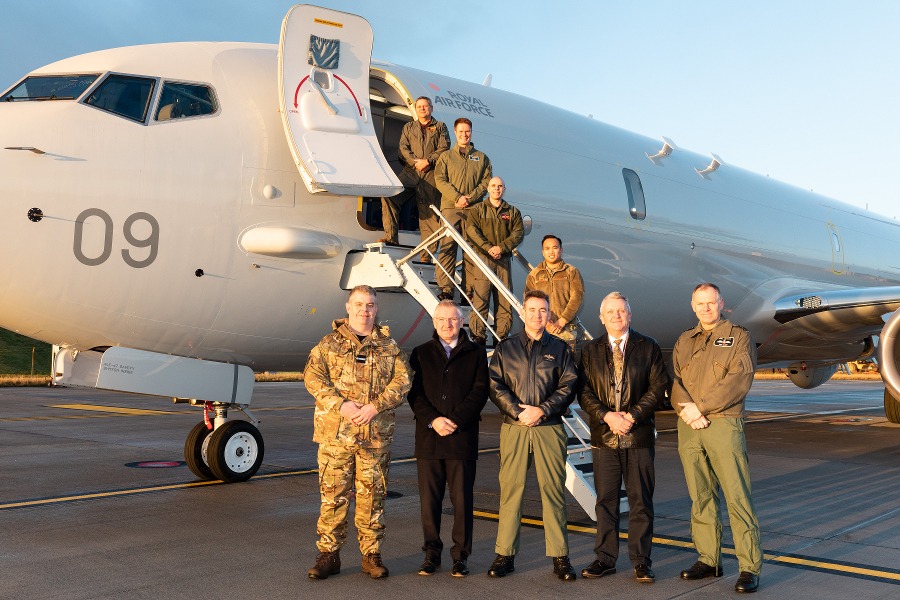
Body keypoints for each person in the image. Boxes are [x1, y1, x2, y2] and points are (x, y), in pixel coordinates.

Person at [303, 285, 412, 580]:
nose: (365, 310)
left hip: (374, 436)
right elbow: (313, 378)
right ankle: (329, 555)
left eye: (371, 305)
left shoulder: (389, 347)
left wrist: (376, 406)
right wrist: (340, 405)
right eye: (360, 304)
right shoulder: (328, 344)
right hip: (335, 436)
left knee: (373, 498)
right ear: (348, 307)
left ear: (376, 310)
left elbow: (403, 382)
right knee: (333, 497)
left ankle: (371, 555)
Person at [672, 283, 761, 593]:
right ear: (693, 305)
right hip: (689, 426)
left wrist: (701, 409)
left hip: (723, 423)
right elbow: (677, 382)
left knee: (738, 498)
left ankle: (749, 566)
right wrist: (688, 411)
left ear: (721, 303)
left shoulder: (740, 336)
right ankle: (709, 558)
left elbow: (738, 380)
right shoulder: (684, 340)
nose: (706, 308)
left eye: (711, 302)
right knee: (700, 496)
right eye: (701, 303)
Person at [487, 289, 579, 581]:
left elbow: (568, 385)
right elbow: (494, 383)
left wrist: (541, 410)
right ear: (522, 312)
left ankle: (560, 557)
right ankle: (505, 554)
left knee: (553, 492)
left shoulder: (561, 349)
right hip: (514, 428)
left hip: (549, 427)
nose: (537, 315)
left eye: (543, 310)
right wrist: (517, 411)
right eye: (532, 309)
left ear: (549, 314)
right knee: (511, 492)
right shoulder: (506, 347)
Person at [578, 292, 669, 583]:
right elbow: (583, 391)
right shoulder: (589, 350)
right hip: (604, 438)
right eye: (611, 312)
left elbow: (658, 388)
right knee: (605, 501)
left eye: (622, 311)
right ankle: (605, 558)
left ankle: (641, 561)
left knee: (641, 500)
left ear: (630, 315)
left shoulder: (648, 346)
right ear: (601, 317)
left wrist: (631, 417)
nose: (617, 316)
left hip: (638, 436)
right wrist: (607, 416)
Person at [408, 300, 489, 577]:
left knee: (462, 501)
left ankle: (460, 555)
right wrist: (434, 420)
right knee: (429, 502)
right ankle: (431, 554)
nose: (447, 324)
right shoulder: (420, 354)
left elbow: (480, 392)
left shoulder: (476, 353)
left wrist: (455, 420)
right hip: (429, 438)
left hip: (461, 437)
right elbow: (414, 394)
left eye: (453, 319)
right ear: (434, 322)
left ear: (462, 321)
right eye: (442, 319)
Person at [379, 96, 450, 260]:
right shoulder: (409, 127)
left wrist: (428, 161)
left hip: (431, 174)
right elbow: (403, 148)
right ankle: (391, 239)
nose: (422, 109)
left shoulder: (440, 127)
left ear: (431, 108)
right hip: (411, 172)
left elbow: (444, 148)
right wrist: (414, 162)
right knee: (390, 196)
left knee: (430, 216)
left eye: (426, 106)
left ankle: (427, 254)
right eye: (419, 107)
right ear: (416, 109)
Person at [434, 117, 492, 300]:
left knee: (471, 251)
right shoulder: (446, 157)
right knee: (447, 248)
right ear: (455, 132)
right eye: (461, 131)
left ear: (471, 132)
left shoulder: (481, 158)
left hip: (474, 210)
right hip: (451, 208)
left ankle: (468, 291)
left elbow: (486, 182)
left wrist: (472, 197)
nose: (464, 134)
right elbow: (440, 180)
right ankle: (446, 289)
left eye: (467, 131)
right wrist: (457, 197)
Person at [465, 176, 524, 345]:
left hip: (503, 261)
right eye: (493, 186)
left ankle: (501, 337)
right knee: (481, 299)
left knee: (504, 300)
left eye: (500, 186)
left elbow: (517, 233)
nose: (496, 189)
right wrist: (488, 248)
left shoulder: (512, 212)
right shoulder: (477, 210)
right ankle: (479, 336)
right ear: (488, 189)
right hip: (484, 259)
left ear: (504, 189)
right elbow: (472, 231)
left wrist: (501, 248)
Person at [524, 234, 585, 349]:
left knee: (566, 364)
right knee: (542, 365)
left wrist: (562, 321)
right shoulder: (534, 275)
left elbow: (577, 297)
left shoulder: (571, 272)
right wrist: (546, 323)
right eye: (547, 248)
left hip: (566, 331)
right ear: (542, 252)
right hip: (541, 330)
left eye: (555, 248)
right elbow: (529, 301)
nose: (551, 252)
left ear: (561, 250)